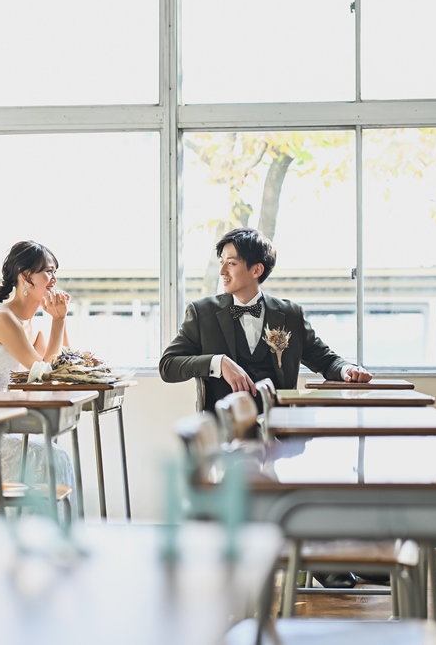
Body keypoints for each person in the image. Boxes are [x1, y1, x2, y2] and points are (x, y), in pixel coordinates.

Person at [159, 227, 373, 589]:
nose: (223, 271)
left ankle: (338, 555)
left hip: (284, 430)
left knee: (333, 471)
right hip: (229, 436)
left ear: (256, 270)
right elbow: (168, 365)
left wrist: (346, 369)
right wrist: (217, 361)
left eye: (232, 263)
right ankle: (323, 564)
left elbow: (323, 357)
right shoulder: (203, 313)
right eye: (221, 262)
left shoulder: (288, 314)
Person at [0, 240, 76, 494]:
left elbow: (58, 365)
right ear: (25, 276)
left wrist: (58, 320)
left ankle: (52, 531)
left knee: (57, 455)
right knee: (40, 453)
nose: (53, 279)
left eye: (55, 272)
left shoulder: (31, 326)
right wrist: (58, 321)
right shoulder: (5, 319)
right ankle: (15, 527)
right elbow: (44, 372)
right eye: (47, 271)